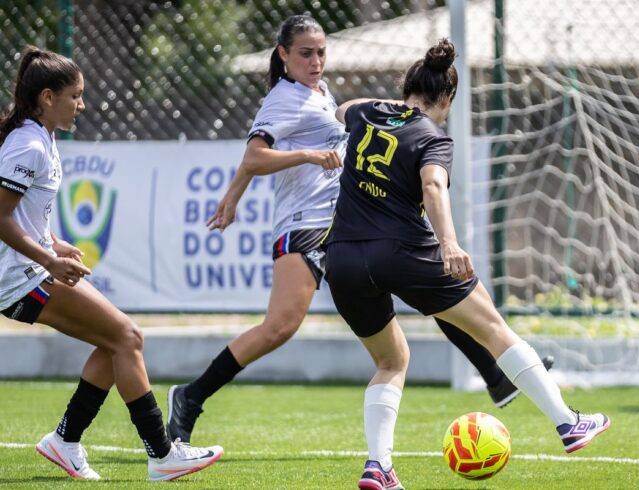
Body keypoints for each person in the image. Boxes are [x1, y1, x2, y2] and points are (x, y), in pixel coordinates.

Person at [166, 15, 552, 445]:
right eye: (305, 54)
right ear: (283, 55)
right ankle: (190, 396)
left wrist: (233, 197)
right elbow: (255, 156)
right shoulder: (284, 98)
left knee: (428, 281)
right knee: (280, 326)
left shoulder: (319, 92)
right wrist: (310, 157)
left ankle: (493, 375)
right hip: (306, 224)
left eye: (321, 53)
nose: (316, 62)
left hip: (345, 222)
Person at [321, 39, 609, 490]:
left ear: (407, 88)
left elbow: (345, 107)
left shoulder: (367, 112)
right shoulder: (433, 137)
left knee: (391, 360)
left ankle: (379, 466)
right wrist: (449, 243)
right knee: (494, 329)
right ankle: (567, 423)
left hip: (342, 259)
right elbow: (433, 187)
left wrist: (392, 106)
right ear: (448, 99)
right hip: (403, 252)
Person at [0, 47, 224, 481]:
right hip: (19, 279)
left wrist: (56, 245)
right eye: (75, 96)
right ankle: (162, 455)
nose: (82, 105)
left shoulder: (39, 136)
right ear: (47, 98)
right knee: (127, 336)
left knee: (115, 342)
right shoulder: (28, 144)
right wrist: (48, 257)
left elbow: (24, 216)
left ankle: (65, 441)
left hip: (32, 269)